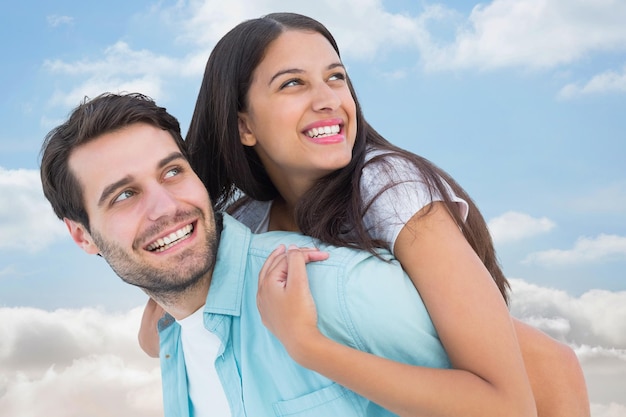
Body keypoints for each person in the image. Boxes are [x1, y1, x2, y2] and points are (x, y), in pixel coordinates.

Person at [176, 12, 587, 417]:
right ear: (243, 126)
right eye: (293, 83)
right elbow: (167, 326)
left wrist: (307, 345)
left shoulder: (388, 187)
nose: (328, 100)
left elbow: (506, 407)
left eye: (336, 77)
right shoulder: (247, 222)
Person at [40, 92, 531, 417]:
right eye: (123, 195)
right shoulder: (170, 338)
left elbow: (526, 386)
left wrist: (310, 347)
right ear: (82, 236)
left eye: (172, 172)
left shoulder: (331, 286)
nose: (166, 207)